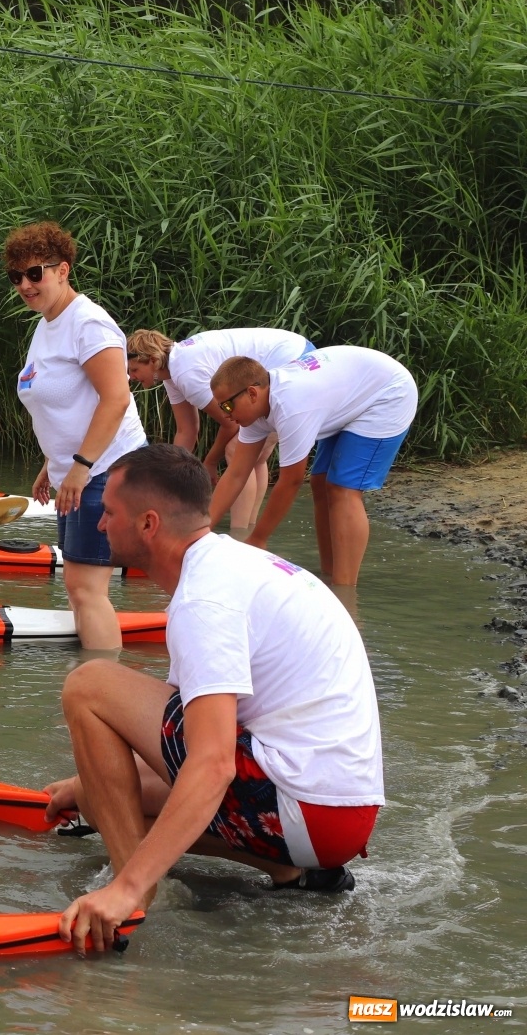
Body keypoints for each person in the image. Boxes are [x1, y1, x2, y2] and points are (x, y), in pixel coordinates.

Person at [44, 444, 384, 954]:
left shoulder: (204, 601)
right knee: (101, 799)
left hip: (308, 807)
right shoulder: (232, 564)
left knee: (90, 683)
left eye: (109, 513)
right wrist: (85, 784)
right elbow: (181, 728)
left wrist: (126, 888)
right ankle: (290, 872)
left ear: (148, 524)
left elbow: (211, 764)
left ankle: (136, 898)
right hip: (337, 814)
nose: (99, 526)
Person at [9, 221, 147, 649]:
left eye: (36, 274)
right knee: (77, 587)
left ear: (63, 270)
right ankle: (86, 690)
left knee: (88, 590)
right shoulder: (46, 324)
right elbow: (61, 404)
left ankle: (103, 688)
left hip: (105, 470)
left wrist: (81, 467)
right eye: (17, 277)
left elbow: (116, 400)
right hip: (74, 473)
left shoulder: (88, 324)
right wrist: (51, 465)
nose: (26, 285)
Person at [206, 347, 417, 586]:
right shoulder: (253, 411)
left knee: (343, 489)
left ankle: (344, 591)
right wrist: (200, 533)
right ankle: (329, 574)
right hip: (348, 394)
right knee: (319, 483)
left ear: (252, 393)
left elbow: (291, 481)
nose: (225, 415)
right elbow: (235, 474)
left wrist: (258, 538)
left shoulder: (291, 406)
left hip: (387, 395)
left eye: (226, 407)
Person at [126, 328, 313, 537]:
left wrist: (211, 462)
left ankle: (239, 537)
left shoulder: (186, 373)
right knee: (256, 456)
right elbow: (186, 430)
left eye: (134, 369)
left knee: (236, 451)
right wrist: (168, 482)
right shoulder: (173, 373)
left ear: (152, 360)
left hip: (294, 362)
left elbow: (230, 424)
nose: (132, 377)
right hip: (295, 351)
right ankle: (248, 529)